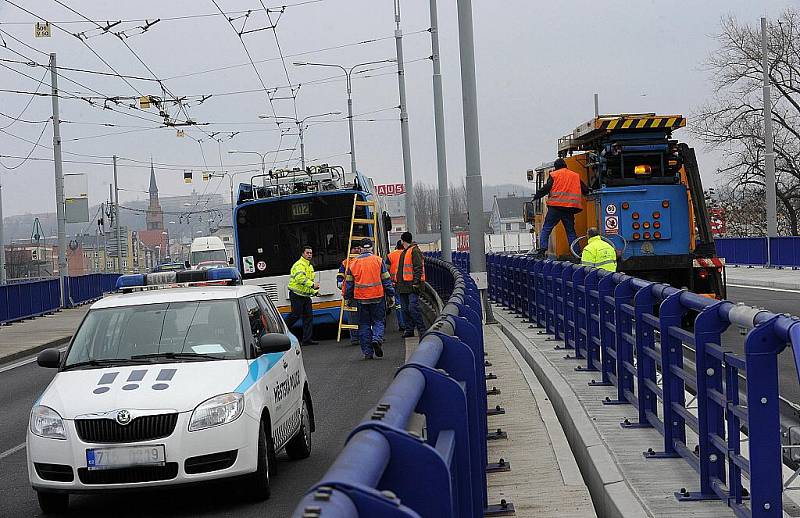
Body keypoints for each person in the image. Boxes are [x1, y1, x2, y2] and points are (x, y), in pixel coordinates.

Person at [345, 238, 395, 360]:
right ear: (372, 248)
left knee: (363, 325)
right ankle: (377, 339)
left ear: (360, 249)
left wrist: (348, 297)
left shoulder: (353, 263)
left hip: (361, 299)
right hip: (377, 297)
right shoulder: (378, 261)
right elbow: (386, 280)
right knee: (378, 321)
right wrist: (390, 294)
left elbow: (349, 284)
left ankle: (368, 353)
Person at [532, 157, 590, 258]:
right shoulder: (575, 176)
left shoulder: (554, 175)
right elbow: (584, 189)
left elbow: (546, 188)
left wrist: (537, 196)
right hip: (569, 208)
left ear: (556, 167)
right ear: (565, 166)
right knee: (570, 231)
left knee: (546, 228)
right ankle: (576, 252)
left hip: (555, 207)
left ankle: (542, 250)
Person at [286, 245, 319, 346]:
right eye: (307, 253)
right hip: (296, 295)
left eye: (310, 253)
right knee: (295, 315)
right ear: (302, 254)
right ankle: (282, 331)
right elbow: (300, 279)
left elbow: (306, 282)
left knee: (308, 317)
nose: (309, 255)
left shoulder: (309, 266)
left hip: (305, 296)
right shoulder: (299, 265)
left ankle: (307, 340)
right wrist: (313, 285)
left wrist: (314, 292)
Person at [396, 231, 426, 339]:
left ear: (403, 241)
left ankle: (421, 329)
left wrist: (416, 283)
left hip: (412, 285)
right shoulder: (406, 251)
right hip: (404, 285)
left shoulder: (414, 251)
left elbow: (418, 268)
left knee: (413, 308)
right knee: (405, 309)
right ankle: (409, 329)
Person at [337, 244, 361, 345]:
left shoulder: (362, 260)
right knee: (352, 317)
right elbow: (340, 274)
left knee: (361, 316)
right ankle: (355, 338)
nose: (356, 250)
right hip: (351, 293)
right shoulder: (346, 262)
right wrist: (339, 281)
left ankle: (366, 336)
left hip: (361, 292)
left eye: (358, 248)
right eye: (354, 248)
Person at [386, 240, 407, 333]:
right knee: (408, 303)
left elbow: (386, 270)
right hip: (407, 283)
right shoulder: (408, 254)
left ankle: (402, 324)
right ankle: (410, 324)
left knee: (398, 305)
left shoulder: (391, 256)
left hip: (395, 283)